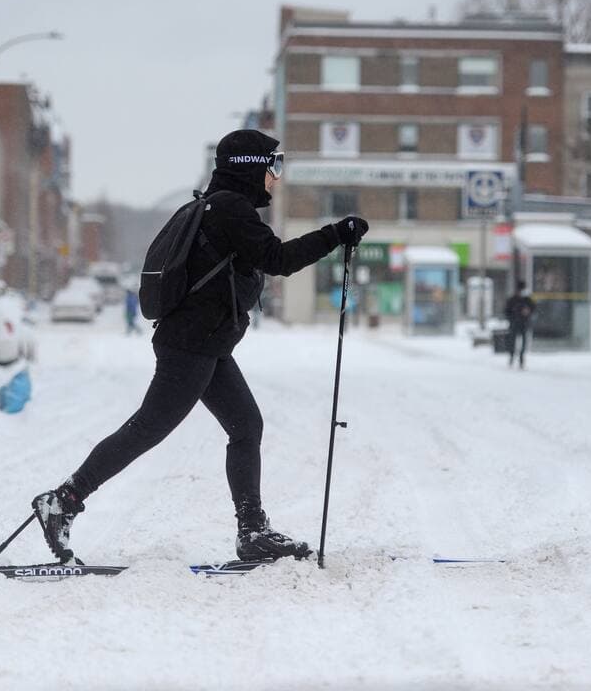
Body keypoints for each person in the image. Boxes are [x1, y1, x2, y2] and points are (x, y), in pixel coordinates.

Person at [29, 129, 368, 563]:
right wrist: (336, 233)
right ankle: (63, 500)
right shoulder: (230, 209)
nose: (276, 176)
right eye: (274, 164)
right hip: (192, 344)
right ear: (250, 166)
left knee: (246, 425)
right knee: (148, 428)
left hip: (206, 343)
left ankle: (252, 530)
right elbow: (277, 260)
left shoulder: (216, 206)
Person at [504, 280, 535, 370]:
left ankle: (521, 359)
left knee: (523, 342)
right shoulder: (513, 300)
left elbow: (533, 308)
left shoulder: (527, 300)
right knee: (512, 341)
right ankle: (512, 356)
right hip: (515, 323)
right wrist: (512, 317)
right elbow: (507, 311)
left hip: (524, 323)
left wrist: (528, 312)